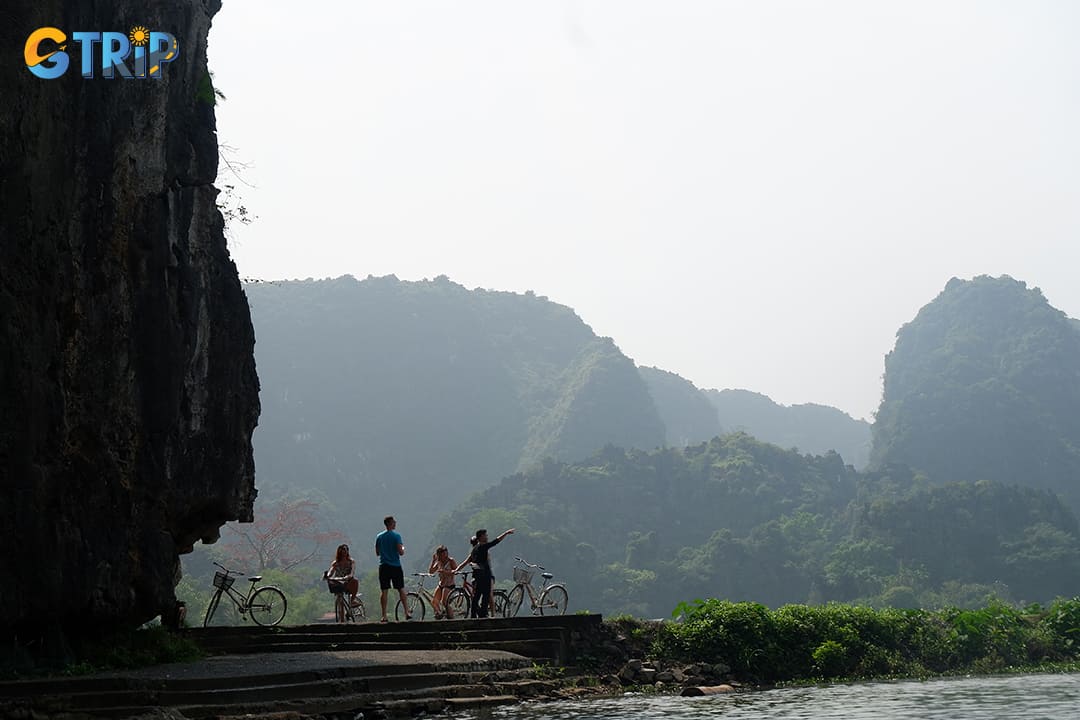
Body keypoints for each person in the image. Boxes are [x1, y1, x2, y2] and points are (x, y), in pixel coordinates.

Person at [458, 528, 513, 618]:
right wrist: (505, 533)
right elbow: (496, 541)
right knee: (485, 596)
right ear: (481, 537)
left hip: (478, 575)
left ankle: (473, 615)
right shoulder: (483, 547)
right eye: (485, 535)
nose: (487, 536)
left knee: (476, 596)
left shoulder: (475, 548)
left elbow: (471, 561)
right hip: (484, 575)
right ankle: (483, 615)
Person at [375, 515, 408, 622]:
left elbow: (377, 552)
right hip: (395, 566)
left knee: (384, 591)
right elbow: (401, 552)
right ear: (390, 523)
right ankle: (407, 612)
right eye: (394, 522)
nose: (395, 523)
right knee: (401, 589)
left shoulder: (379, 536)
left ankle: (384, 615)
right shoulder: (396, 536)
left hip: (384, 566)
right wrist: (403, 547)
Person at [324, 543, 360, 609]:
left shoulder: (351, 562)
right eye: (342, 553)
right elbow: (331, 571)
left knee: (355, 581)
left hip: (347, 581)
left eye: (345, 552)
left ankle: (352, 600)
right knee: (338, 594)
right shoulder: (335, 563)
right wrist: (328, 576)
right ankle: (341, 615)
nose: (343, 554)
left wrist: (349, 576)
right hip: (338, 582)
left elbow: (352, 571)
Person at [429, 545, 458, 619]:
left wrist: (445, 572)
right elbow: (431, 571)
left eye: (446, 553)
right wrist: (433, 561)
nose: (445, 556)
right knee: (434, 602)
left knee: (444, 602)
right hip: (441, 584)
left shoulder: (451, 561)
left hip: (449, 584)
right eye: (443, 554)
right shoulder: (439, 562)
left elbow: (456, 571)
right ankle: (439, 614)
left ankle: (451, 617)